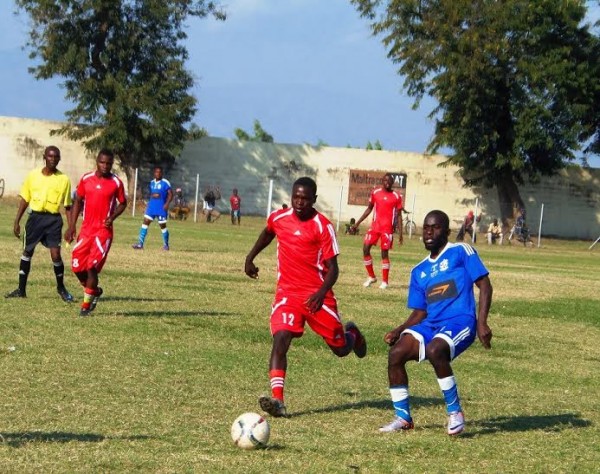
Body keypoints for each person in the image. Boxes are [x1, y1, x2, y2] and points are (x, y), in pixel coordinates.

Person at [245, 177, 367, 417]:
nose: (299, 202)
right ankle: (278, 401)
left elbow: (333, 268)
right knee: (280, 338)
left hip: (316, 296)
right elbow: (268, 233)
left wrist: (321, 293)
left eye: (305, 198)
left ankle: (353, 334)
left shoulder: (323, 226)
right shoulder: (279, 218)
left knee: (340, 349)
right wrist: (250, 257)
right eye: (296, 197)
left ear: (314, 200)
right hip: (287, 293)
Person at [379, 210, 492, 436]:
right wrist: (400, 329)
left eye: (435, 227)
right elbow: (421, 311)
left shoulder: (461, 251)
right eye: (426, 228)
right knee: (396, 354)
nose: (429, 232)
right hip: (432, 324)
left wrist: (482, 323)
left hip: (461, 321)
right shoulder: (419, 271)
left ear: (447, 231)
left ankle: (455, 413)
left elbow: (485, 285)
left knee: (435, 350)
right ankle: (403, 418)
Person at [5, 146, 74, 302]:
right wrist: (17, 221)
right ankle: (21, 290)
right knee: (27, 252)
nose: (53, 159)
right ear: (44, 157)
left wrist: (71, 227)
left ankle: (61, 288)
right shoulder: (33, 175)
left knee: (56, 254)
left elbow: (68, 205)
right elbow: (25, 199)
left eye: (56, 157)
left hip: (53, 220)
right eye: (50, 156)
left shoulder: (64, 179)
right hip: (35, 219)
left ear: (59, 159)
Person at [65, 149, 127, 317]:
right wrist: (71, 226)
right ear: (97, 162)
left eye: (109, 163)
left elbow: (123, 203)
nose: (105, 166)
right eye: (102, 162)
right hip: (86, 230)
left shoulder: (116, 182)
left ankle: (85, 306)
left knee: (92, 267)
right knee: (77, 267)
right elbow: (78, 200)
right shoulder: (86, 179)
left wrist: (112, 217)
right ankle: (94, 290)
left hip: (103, 232)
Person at [352, 173, 404, 289]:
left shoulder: (396, 196)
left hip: (387, 229)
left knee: (384, 254)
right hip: (375, 227)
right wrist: (357, 223)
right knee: (365, 248)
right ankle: (371, 277)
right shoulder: (375, 193)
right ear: (382, 181)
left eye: (389, 181)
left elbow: (399, 216)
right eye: (385, 180)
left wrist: (400, 233)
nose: (387, 183)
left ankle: (385, 281)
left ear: (392, 183)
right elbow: (369, 209)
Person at [132, 166, 173, 251]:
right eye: (156, 172)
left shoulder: (165, 182)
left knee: (162, 226)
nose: (158, 174)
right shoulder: (151, 183)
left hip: (161, 208)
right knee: (145, 222)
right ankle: (140, 244)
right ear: (154, 173)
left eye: (159, 172)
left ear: (162, 173)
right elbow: (151, 194)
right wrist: (152, 196)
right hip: (152, 207)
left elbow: (170, 194)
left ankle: (166, 245)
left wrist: (167, 204)